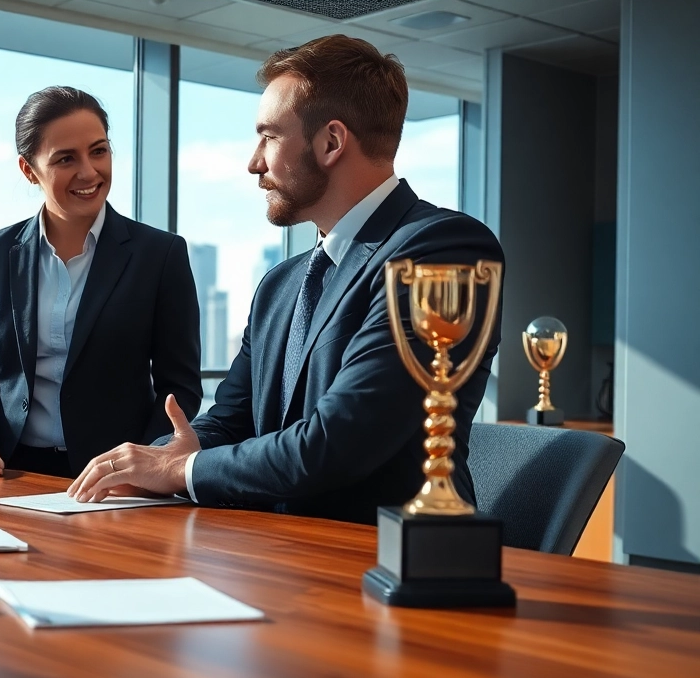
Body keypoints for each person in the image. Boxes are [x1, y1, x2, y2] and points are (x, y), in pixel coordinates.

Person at [67, 36, 505, 524]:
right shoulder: (280, 285)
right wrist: (160, 458)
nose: (255, 162)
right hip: (276, 553)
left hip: (384, 561)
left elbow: (337, 443)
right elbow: (230, 419)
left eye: (269, 137)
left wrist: (183, 469)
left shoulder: (443, 248)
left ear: (331, 143)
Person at [0, 86, 201, 480]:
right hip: (8, 471)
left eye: (99, 151)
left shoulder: (160, 255)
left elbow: (179, 386)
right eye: (65, 159)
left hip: (116, 480)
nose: (89, 172)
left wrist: (149, 460)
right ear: (29, 170)